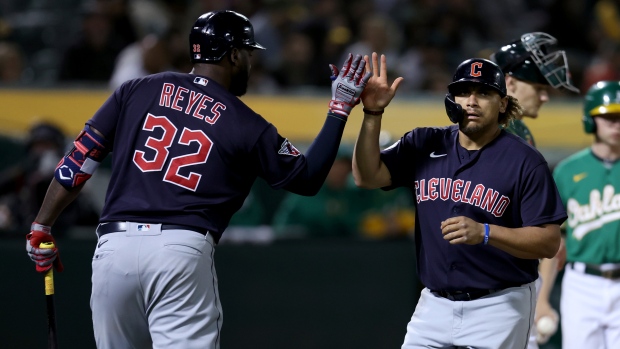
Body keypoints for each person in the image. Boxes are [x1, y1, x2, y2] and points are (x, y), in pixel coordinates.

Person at [24, 10, 375, 349]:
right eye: (248, 54)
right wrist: (340, 107)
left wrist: (42, 225)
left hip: (113, 249)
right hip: (179, 249)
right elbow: (307, 178)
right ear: (233, 54)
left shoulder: (137, 90)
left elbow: (78, 162)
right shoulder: (245, 122)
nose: (250, 64)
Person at [353, 53, 566, 348]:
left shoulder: (525, 161)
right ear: (452, 100)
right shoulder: (424, 142)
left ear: (503, 103)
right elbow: (367, 176)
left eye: (484, 93)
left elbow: (548, 241)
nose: (472, 101)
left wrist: (486, 232)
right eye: (463, 92)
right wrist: (372, 114)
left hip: (500, 304)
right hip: (433, 303)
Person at [490, 31, 580, 347]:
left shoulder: (520, 130)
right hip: (488, 282)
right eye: (539, 88)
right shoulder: (488, 131)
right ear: (510, 83)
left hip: (512, 275)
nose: (545, 97)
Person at [553, 80, 620, 349]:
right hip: (581, 283)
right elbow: (554, 240)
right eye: (607, 116)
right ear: (591, 120)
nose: (616, 124)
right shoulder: (568, 171)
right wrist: (542, 299)